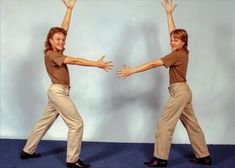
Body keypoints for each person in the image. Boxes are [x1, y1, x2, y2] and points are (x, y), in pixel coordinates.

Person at [117, 0, 212, 167]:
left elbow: (154, 63)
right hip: (185, 91)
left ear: (183, 42)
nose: (172, 41)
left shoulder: (176, 55)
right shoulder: (182, 52)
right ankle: (204, 156)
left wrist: (132, 70)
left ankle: (161, 159)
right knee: (192, 124)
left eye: (176, 40)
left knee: (164, 124)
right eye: (172, 39)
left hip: (179, 92)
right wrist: (169, 14)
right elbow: (173, 32)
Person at [20, 0, 113, 168]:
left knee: (44, 122)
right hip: (58, 92)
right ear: (50, 40)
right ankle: (72, 160)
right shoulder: (51, 54)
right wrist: (96, 64)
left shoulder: (56, 49)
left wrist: (69, 9)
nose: (61, 42)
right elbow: (74, 60)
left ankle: (27, 151)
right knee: (76, 123)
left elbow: (63, 29)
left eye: (63, 39)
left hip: (58, 92)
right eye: (58, 39)